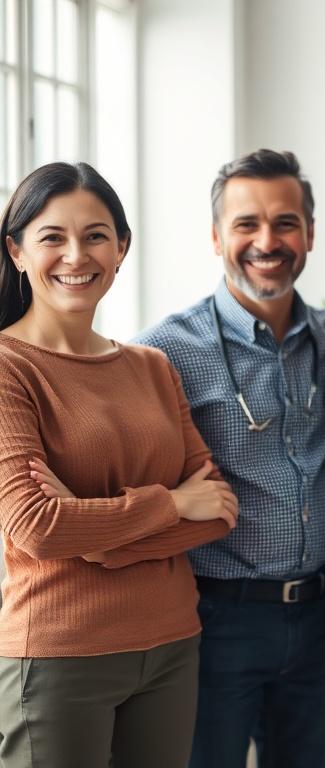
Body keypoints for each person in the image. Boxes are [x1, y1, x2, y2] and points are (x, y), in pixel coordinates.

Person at [0, 162, 237, 767]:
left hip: (172, 644)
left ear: (122, 247)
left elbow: (217, 512)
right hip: (59, 653)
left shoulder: (152, 366)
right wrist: (171, 503)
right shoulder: (9, 368)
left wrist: (101, 542)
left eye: (97, 235)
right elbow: (36, 527)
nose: (76, 255)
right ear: (17, 252)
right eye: (52, 236)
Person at [135, 149, 325, 767]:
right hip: (215, 620)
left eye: (285, 222)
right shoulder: (163, 353)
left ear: (309, 233)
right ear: (215, 237)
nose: (268, 240)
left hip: (322, 620)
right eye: (246, 224)